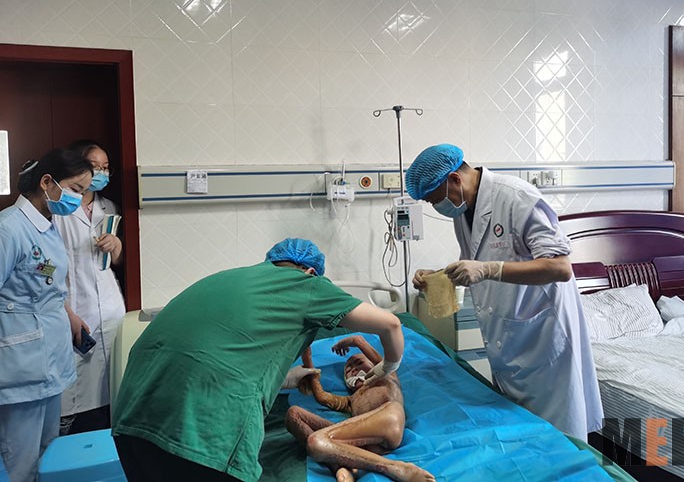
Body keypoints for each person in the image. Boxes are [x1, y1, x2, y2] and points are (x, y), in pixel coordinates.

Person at [111, 238, 405, 482]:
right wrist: (387, 366)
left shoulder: (230, 278)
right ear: (310, 272)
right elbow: (390, 324)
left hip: (130, 416)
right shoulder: (306, 284)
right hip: (201, 432)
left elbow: (224, 350)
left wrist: (285, 378)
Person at [405, 144, 603, 440]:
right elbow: (475, 264)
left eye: (436, 200)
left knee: (557, 442)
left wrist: (489, 269)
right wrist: (438, 277)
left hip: (543, 343)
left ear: (455, 180)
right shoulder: (464, 210)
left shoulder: (517, 198)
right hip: (507, 343)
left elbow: (560, 268)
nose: (438, 208)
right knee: (522, 438)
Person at [0, 149, 93, 482]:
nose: (78, 199)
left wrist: (68, 314)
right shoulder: (9, 229)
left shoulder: (47, 226)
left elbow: (44, 281)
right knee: (20, 462)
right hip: (20, 366)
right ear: (47, 182)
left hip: (50, 358)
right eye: (76, 189)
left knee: (49, 455)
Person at [285, 335, 435, 482]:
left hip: (390, 421)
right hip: (364, 444)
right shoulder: (351, 400)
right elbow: (321, 397)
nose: (353, 369)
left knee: (316, 442)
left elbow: (383, 360)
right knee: (294, 415)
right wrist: (307, 359)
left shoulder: (387, 377)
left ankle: (394, 467)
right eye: (348, 370)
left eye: (359, 363)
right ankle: (340, 467)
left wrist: (356, 341)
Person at [53, 140, 126, 435]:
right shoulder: (59, 209)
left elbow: (117, 263)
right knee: (71, 394)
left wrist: (117, 246)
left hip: (109, 307)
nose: (101, 173)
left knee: (109, 388)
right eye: (95, 166)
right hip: (73, 306)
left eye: (106, 167)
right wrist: (66, 311)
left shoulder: (110, 208)